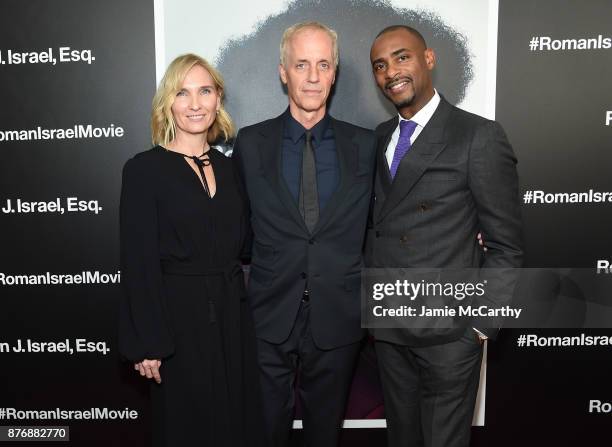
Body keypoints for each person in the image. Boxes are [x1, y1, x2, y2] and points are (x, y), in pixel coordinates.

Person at [365, 25, 523, 447]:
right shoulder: (380, 138)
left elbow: (506, 246)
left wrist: (480, 327)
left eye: (402, 57)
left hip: (449, 337)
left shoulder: (478, 136)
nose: (391, 72)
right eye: (380, 65)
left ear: (428, 58)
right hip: (390, 331)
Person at [232, 22, 376, 446]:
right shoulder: (251, 143)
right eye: (301, 65)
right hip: (266, 316)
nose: (312, 77)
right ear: (283, 72)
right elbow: (233, 226)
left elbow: (389, 220)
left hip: (339, 317)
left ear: (334, 73)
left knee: (324, 435)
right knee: (263, 432)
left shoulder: (366, 145)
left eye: (322, 65)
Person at [118, 53, 263, 447]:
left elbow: (248, 243)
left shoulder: (233, 168)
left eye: (205, 91)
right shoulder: (144, 170)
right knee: (187, 426)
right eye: (183, 93)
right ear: (168, 103)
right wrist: (148, 342)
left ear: (218, 99)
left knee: (237, 422)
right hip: (176, 322)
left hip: (233, 315)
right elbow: (137, 262)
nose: (195, 104)